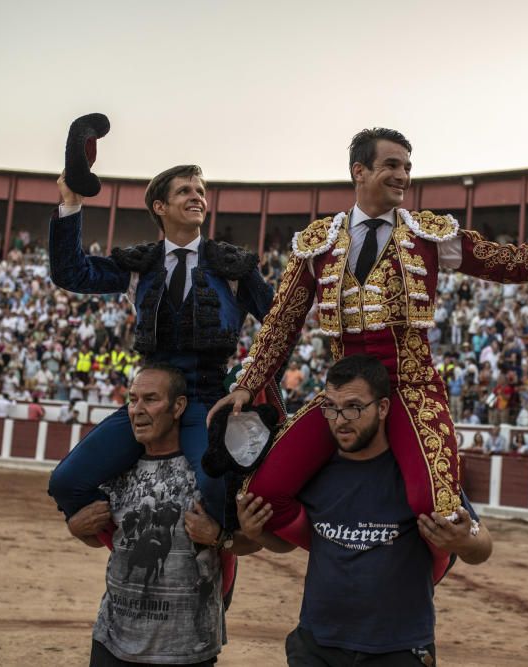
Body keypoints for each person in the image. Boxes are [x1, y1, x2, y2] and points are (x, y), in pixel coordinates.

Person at [210, 128, 528, 577]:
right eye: (392, 165)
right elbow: (283, 321)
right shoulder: (317, 243)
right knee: (264, 495)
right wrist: (248, 385)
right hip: (343, 396)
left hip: (412, 389)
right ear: (359, 171)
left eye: (407, 166)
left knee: (436, 510)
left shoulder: (430, 234)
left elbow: (516, 263)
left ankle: (426, 571)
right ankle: (340, 550)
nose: (403, 175)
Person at [46, 165, 276, 531]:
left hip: (206, 396)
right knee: (67, 482)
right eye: (185, 191)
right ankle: (130, 531)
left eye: (200, 191)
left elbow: (281, 322)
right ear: (160, 207)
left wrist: (250, 380)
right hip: (150, 397)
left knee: (219, 487)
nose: (196, 197)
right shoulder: (141, 265)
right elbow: (71, 273)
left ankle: (218, 544)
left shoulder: (233, 266)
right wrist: (71, 203)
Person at [235, 354, 492, 665]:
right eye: (331, 407)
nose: (340, 419)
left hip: (397, 649)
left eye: (354, 407)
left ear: (382, 408)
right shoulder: (313, 473)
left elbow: (482, 548)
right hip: (318, 644)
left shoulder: (417, 473)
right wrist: (257, 534)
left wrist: (466, 541)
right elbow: (289, 544)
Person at [65, 364, 260, 666]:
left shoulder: (210, 472)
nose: (137, 410)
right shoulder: (114, 471)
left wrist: (219, 538)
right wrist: (77, 529)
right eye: (132, 400)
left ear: (178, 406)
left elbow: (254, 540)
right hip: (113, 638)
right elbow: (113, 540)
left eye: (150, 399)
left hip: (186, 648)